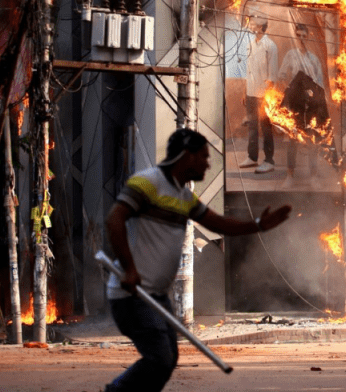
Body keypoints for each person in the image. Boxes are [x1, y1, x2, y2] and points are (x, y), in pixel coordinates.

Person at [104, 128, 292, 392]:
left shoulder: (183, 196)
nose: (208, 162)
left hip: (155, 295)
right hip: (132, 293)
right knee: (160, 358)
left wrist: (259, 225)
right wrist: (130, 269)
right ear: (186, 156)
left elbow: (220, 224)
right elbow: (115, 219)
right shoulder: (147, 183)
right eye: (203, 157)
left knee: (167, 359)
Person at [277, 22, 326, 185]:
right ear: (295, 37)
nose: (302, 39)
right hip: (295, 104)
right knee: (293, 139)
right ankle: (289, 175)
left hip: (311, 104)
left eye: (304, 36)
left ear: (308, 37)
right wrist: (291, 91)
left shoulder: (314, 59)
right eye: (299, 35)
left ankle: (313, 176)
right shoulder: (291, 55)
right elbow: (282, 75)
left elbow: (320, 82)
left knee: (312, 139)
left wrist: (315, 99)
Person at [240, 12, 278, 174]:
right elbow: (249, 71)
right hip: (250, 93)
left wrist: (267, 98)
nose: (250, 25)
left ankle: (269, 160)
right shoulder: (250, 44)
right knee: (252, 127)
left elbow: (272, 75)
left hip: (264, 96)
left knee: (266, 128)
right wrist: (245, 91)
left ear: (262, 26)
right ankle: (252, 157)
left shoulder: (270, 46)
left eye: (254, 23)